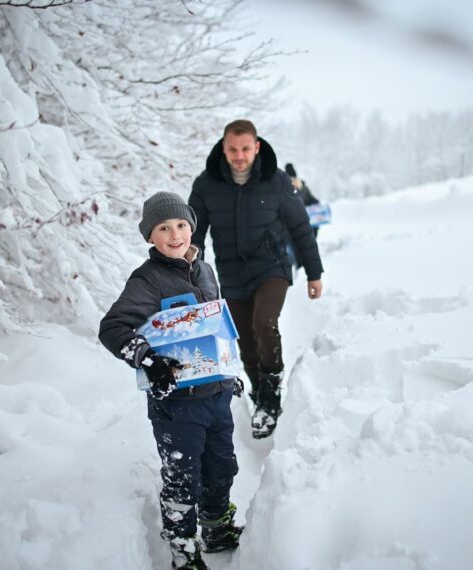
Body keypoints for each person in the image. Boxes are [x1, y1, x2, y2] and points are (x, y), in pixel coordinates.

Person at [98, 192, 243, 570]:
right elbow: (112, 328)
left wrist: (232, 371)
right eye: (163, 228)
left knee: (222, 467)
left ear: (191, 228)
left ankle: (216, 528)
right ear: (150, 237)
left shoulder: (204, 270)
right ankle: (183, 549)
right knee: (183, 478)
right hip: (177, 405)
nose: (175, 234)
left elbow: (217, 327)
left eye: (180, 225)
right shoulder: (147, 281)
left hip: (216, 394)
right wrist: (150, 360)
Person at [189, 120, 324, 439]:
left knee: (264, 322)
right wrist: (192, 271)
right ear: (224, 147)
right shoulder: (206, 184)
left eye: (245, 149)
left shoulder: (275, 181)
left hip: (272, 267)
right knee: (245, 340)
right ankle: (259, 391)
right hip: (231, 271)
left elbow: (301, 227)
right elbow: (195, 232)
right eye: (233, 149)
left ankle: (271, 395)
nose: (239, 156)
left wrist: (314, 273)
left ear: (257, 147)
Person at [284, 162, 321, 267]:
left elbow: (313, 200)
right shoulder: (286, 189)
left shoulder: (301, 188)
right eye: (290, 179)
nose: (293, 181)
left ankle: (300, 263)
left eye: (293, 179)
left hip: (303, 223)